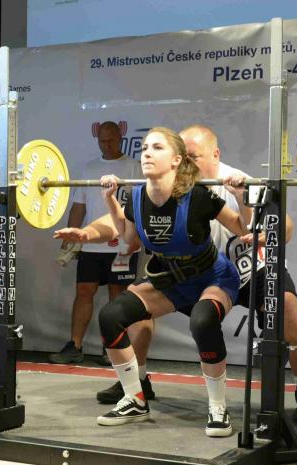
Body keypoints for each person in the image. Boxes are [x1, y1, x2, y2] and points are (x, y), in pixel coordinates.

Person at [58, 125, 297, 423]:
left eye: (193, 157)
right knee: (134, 312)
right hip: (190, 269)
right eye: (183, 156)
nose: (187, 163)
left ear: (215, 155)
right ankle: (135, 384)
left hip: (248, 268)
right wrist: (86, 233)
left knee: (287, 306)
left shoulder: (235, 181)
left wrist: (267, 233)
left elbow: (284, 225)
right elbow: (121, 221)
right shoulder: (168, 186)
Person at [64, 127, 249, 437]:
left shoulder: (198, 196)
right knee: (111, 317)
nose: (147, 153)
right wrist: (109, 199)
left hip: (211, 277)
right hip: (170, 279)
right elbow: (129, 238)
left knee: (203, 321)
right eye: (145, 147)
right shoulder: (137, 197)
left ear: (176, 160)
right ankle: (135, 398)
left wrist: (242, 197)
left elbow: (244, 226)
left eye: (157, 147)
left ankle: (218, 407)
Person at [49, 122, 143, 366]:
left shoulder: (135, 168)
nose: (107, 145)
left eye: (111, 140)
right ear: (97, 140)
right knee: (83, 292)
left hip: (122, 244)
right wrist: (69, 240)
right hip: (91, 244)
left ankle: (113, 347)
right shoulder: (89, 168)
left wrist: (135, 239)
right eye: (102, 141)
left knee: (118, 295)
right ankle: (75, 346)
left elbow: (140, 209)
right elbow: (78, 207)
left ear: (121, 138)